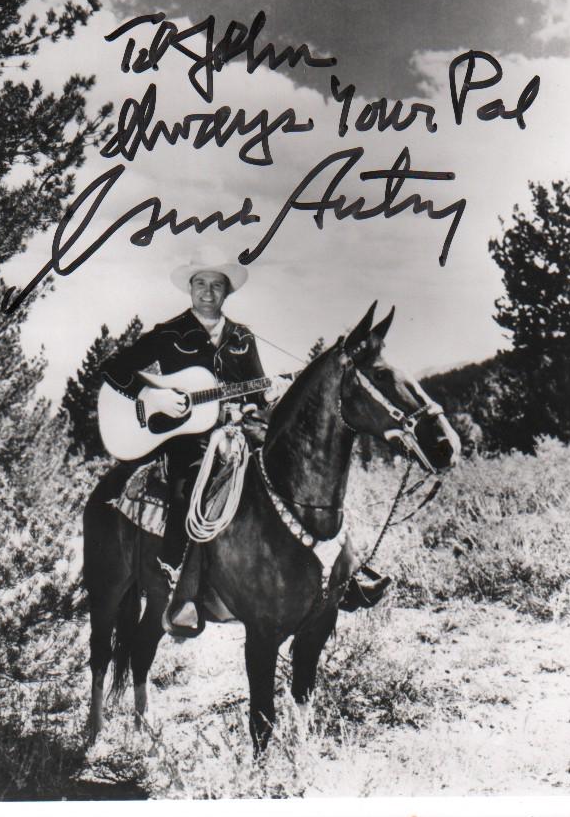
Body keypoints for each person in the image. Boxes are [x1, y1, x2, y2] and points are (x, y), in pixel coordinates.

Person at [100, 247, 389, 635]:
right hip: (186, 439)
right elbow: (113, 368)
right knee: (189, 492)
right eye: (200, 284)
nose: (207, 291)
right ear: (190, 288)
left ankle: (344, 573)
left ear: (226, 292)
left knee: (299, 476)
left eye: (216, 285)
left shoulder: (241, 338)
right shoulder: (168, 334)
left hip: (238, 433)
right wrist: (150, 395)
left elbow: (256, 396)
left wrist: (271, 396)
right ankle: (180, 588)